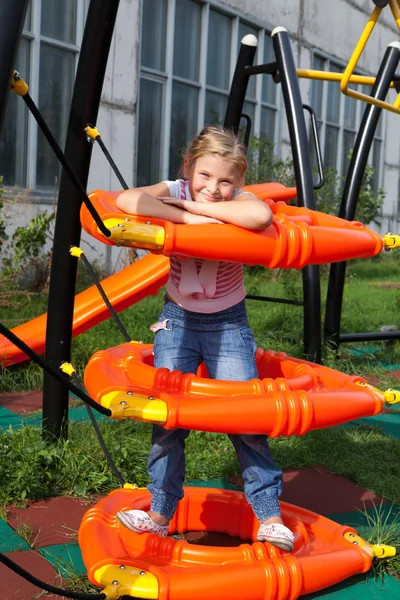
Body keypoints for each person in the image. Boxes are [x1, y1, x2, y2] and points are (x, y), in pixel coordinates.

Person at [115, 126, 294, 552]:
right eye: (204, 177)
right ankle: (160, 513)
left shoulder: (240, 200)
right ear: (188, 169)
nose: (213, 188)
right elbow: (126, 200)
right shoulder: (176, 188)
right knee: (168, 419)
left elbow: (261, 218)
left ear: (239, 180)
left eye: (225, 180)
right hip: (177, 321)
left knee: (245, 418)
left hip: (229, 325)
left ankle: (269, 515)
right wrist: (185, 215)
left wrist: (196, 210)